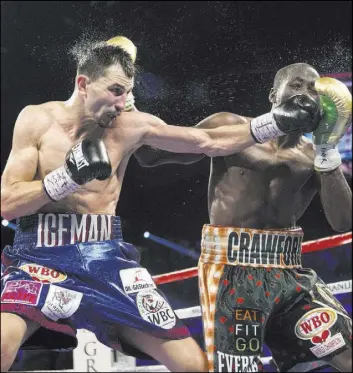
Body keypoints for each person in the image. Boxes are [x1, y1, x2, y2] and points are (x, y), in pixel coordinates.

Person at [0, 36, 317, 373]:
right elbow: (7, 203)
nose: (123, 103)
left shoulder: (131, 126)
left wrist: (274, 122)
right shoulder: (36, 120)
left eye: (127, 92)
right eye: (115, 91)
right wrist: (66, 177)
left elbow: (207, 141)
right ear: (83, 84)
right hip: (39, 257)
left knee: (193, 365)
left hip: (105, 258)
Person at [134, 63, 352, 372]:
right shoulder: (230, 127)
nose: (306, 94)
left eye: (313, 90)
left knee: (347, 354)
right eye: (297, 85)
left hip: (289, 272)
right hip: (230, 272)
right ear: (273, 94)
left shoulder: (313, 155)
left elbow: (343, 222)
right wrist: (128, 115)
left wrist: (327, 150)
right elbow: (152, 155)